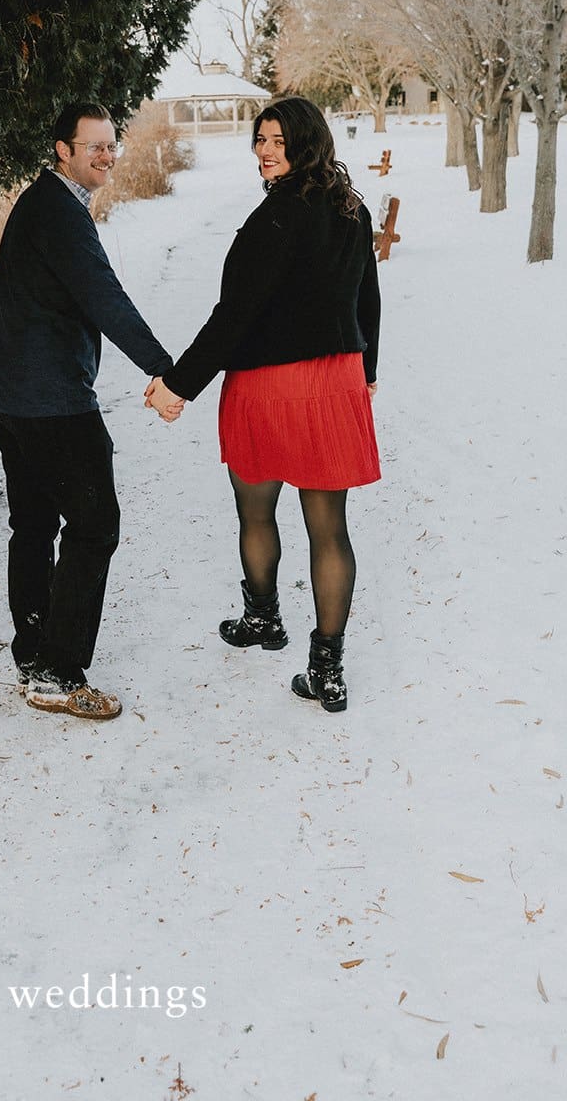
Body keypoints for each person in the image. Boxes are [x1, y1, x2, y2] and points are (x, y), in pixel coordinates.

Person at [146, 96, 380, 713]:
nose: (266, 151)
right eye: (260, 140)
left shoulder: (274, 217)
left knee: (257, 512)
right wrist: (367, 371)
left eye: (279, 140)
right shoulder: (352, 209)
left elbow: (235, 315)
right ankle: (327, 668)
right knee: (329, 528)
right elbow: (367, 300)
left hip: (269, 387)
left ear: (306, 142)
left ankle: (263, 618)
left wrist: (178, 385)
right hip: (335, 382)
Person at [0, 102, 176, 721]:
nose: (106, 156)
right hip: (51, 404)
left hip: (11, 398)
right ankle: (58, 673)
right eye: (94, 146)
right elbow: (104, 298)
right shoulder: (60, 212)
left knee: (35, 525)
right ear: (62, 150)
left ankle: (35, 656)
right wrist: (164, 369)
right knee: (94, 526)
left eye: (112, 145)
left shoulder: (46, 203)